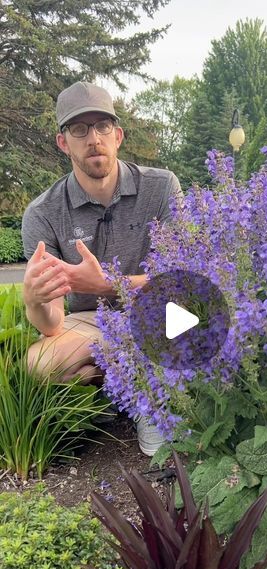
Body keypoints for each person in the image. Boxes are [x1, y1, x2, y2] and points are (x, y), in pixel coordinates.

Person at [21, 81, 181, 454]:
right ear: (64, 142)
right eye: (80, 129)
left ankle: (142, 398)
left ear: (118, 135)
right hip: (93, 325)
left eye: (102, 126)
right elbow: (53, 325)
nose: (93, 138)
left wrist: (110, 283)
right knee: (40, 363)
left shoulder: (161, 187)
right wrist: (34, 302)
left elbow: (180, 277)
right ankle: (135, 379)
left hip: (158, 308)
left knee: (197, 316)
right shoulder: (43, 213)